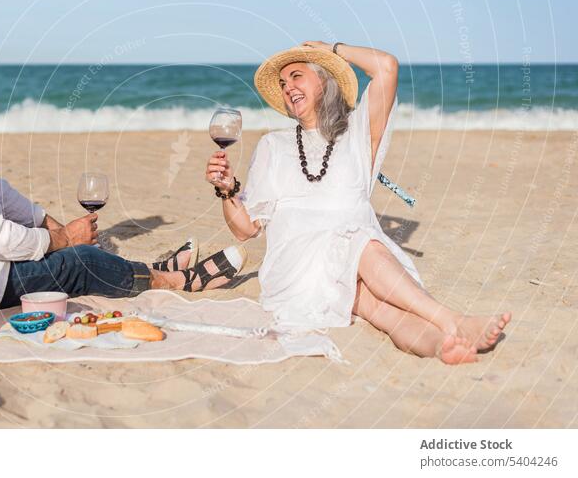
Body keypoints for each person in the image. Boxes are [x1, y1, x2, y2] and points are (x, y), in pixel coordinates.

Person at [0, 20, 245, 320]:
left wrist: (51, 225)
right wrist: (64, 241)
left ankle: (144, 269)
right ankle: (176, 280)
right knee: (81, 263)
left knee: (53, 245)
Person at [205, 41, 511, 364]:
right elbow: (245, 229)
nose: (288, 88)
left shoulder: (358, 134)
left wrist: (333, 50)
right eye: (282, 84)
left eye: (297, 76)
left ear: (323, 80)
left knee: (378, 309)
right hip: (299, 274)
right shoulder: (272, 146)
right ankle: (453, 320)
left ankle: (440, 345)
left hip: (349, 267)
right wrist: (226, 191)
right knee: (365, 244)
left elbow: (387, 68)